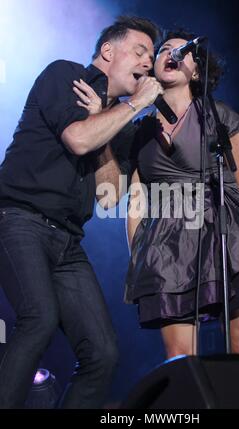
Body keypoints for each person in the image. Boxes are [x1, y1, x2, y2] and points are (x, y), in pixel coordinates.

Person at [0, 16, 163, 409]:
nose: (148, 63)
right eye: (140, 51)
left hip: (68, 242)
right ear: (109, 51)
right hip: (19, 218)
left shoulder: (120, 125)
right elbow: (76, 139)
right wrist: (137, 104)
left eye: (152, 57)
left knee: (103, 354)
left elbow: (109, 197)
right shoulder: (65, 75)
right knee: (38, 320)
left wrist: (108, 122)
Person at [121, 30, 239, 359]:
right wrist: (139, 260)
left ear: (197, 70)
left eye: (180, 51)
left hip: (227, 233)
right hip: (167, 246)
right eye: (163, 51)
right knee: (181, 357)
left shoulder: (221, 116)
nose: (170, 55)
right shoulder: (137, 131)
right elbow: (135, 203)